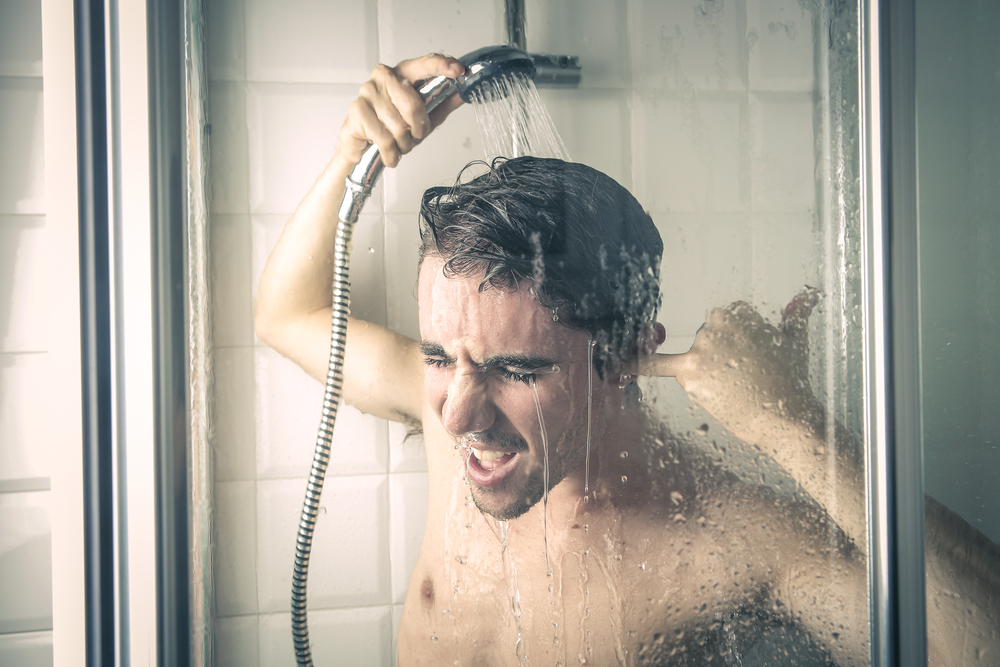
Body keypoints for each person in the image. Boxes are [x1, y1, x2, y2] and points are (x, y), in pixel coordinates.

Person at [255, 55, 1000, 666]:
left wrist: (790, 424)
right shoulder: (451, 402)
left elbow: (970, 644)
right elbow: (287, 316)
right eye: (439, 356)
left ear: (628, 355)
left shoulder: (719, 536)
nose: (455, 416)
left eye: (518, 369)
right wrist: (354, 155)